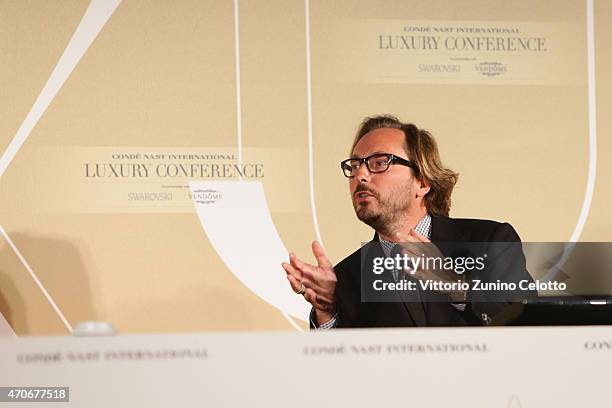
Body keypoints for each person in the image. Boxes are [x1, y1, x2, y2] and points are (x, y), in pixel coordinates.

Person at [282, 115, 536, 328]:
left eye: (379, 163)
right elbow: (340, 373)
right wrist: (327, 312)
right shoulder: (346, 278)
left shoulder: (489, 241)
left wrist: (457, 287)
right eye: (355, 166)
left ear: (423, 182)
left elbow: (528, 326)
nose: (360, 174)